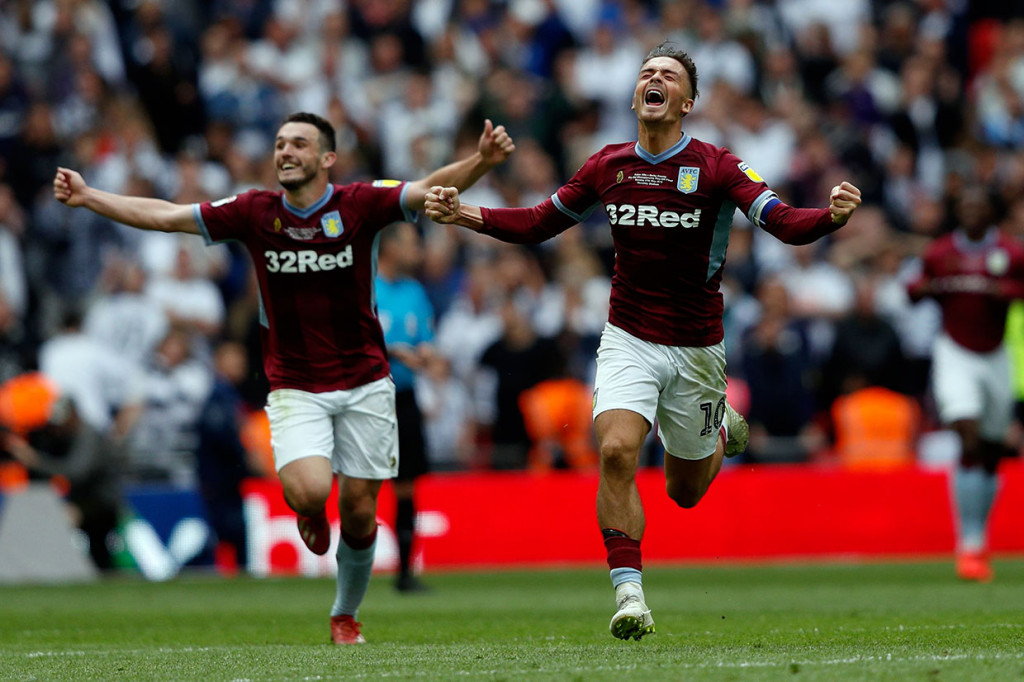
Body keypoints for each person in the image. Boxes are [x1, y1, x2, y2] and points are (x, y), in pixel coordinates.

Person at [426, 42, 862, 640]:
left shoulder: (718, 166)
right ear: (636, 96)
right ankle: (629, 593)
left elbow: (782, 222)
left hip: (697, 349)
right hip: (628, 335)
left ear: (687, 102)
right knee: (614, 451)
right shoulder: (607, 165)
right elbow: (538, 223)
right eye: (647, 73)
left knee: (684, 492)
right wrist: (465, 214)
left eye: (669, 76)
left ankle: (719, 430)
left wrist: (832, 217)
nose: (654, 79)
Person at [52, 111, 515, 644]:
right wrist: (90, 197)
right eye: (279, 144)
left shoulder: (360, 204)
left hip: (366, 380)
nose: (285, 152)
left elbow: (429, 187)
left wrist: (482, 161)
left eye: (299, 143)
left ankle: (345, 615)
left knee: (359, 511)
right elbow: (167, 216)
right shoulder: (254, 211)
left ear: (327, 158)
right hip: (296, 384)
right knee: (311, 490)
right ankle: (309, 511)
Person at [907, 186, 1024, 583]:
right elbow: (914, 289)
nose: (972, 212)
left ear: (992, 212)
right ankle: (969, 545)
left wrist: (1003, 292)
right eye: (966, 206)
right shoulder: (941, 252)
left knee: (990, 453)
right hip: (954, 351)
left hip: (996, 355)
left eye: (979, 206)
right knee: (967, 433)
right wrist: (922, 289)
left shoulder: (1010, 253)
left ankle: (979, 536)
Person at [374, 222, 437, 592]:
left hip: (406, 397)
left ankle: (404, 573)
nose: (419, 252)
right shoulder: (367, 288)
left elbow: (426, 338)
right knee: (362, 484)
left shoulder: (415, 291)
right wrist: (394, 352)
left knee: (407, 485)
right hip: (370, 397)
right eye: (413, 244)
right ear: (391, 247)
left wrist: (427, 353)